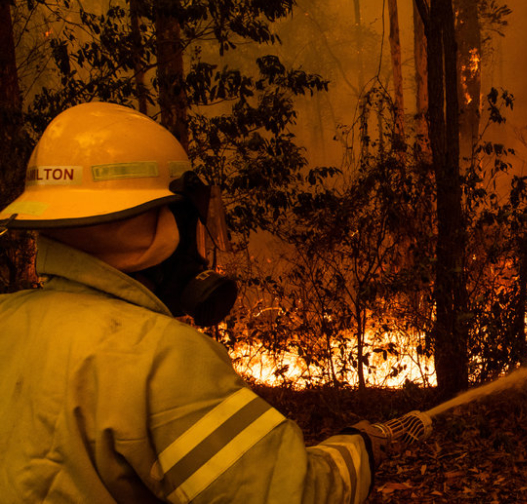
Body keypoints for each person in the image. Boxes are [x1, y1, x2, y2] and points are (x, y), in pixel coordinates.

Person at [0, 102, 428, 503]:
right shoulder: (159, 357)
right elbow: (286, 494)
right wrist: (361, 448)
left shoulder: (8, 319)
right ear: (164, 227)